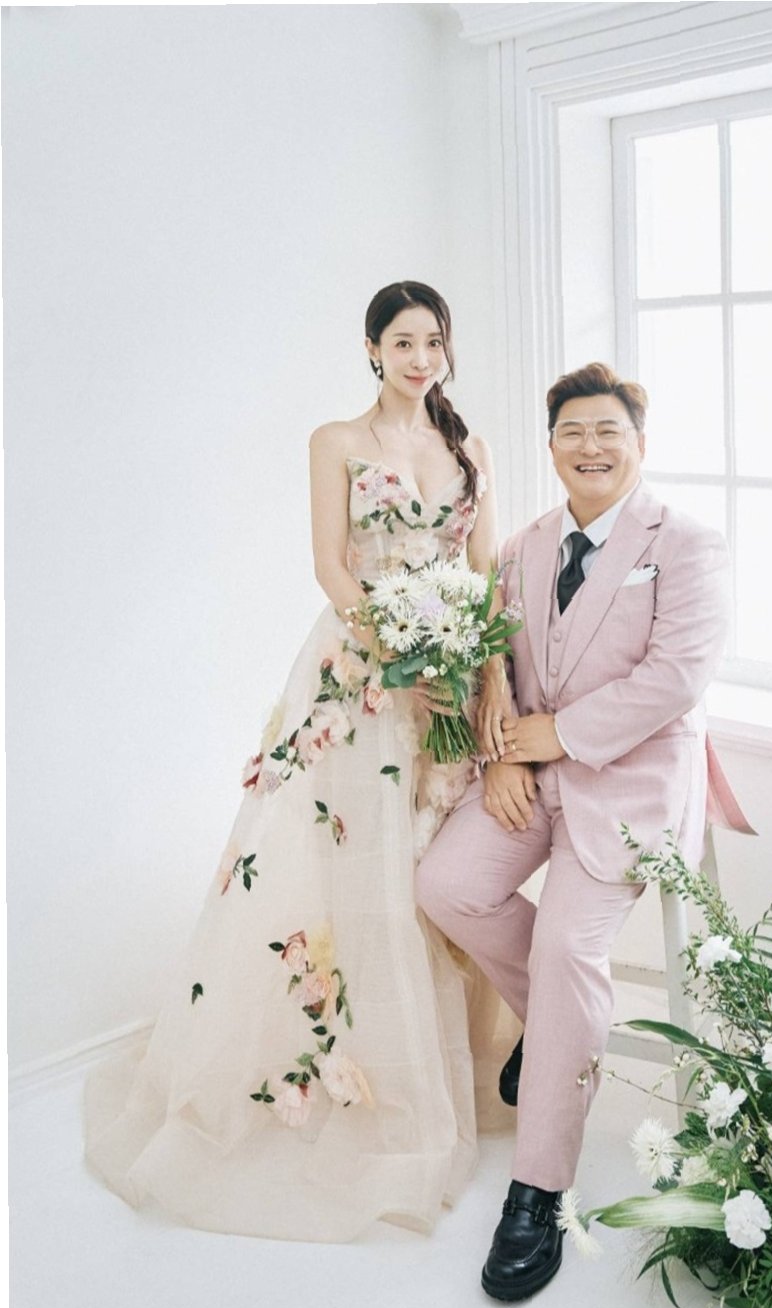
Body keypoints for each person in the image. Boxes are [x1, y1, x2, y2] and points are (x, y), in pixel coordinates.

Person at [84, 280, 517, 1242]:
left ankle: (442, 1070)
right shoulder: (337, 441)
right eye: (402, 342)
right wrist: (401, 654)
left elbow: (485, 575)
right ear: (371, 350)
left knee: (436, 867)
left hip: (450, 677)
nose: (420, 359)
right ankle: (365, 1084)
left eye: (433, 342)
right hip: (365, 675)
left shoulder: (472, 451)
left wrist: (478, 673)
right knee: (356, 862)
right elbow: (330, 564)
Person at [416, 360, 753, 1300]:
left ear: (640, 443)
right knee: (445, 885)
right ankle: (557, 1026)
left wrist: (558, 735)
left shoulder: (688, 544)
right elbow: (501, 667)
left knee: (568, 947)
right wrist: (505, 754)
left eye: (609, 431)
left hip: (630, 783)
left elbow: (675, 678)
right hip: (531, 774)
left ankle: (539, 1188)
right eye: (572, 432)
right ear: (551, 446)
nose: (590, 446)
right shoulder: (522, 545)